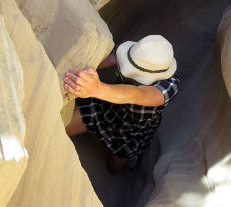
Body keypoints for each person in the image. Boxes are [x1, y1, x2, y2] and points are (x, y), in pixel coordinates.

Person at [64, 35, 180, 173]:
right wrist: (82, 70)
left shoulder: (170, 85)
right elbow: (100, 61)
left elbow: (139, 94)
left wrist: (98, 89)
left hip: (132, 131)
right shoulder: (137, 53)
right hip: (107, 106)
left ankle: (127, 159)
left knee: (115, 167)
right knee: (63, 127)